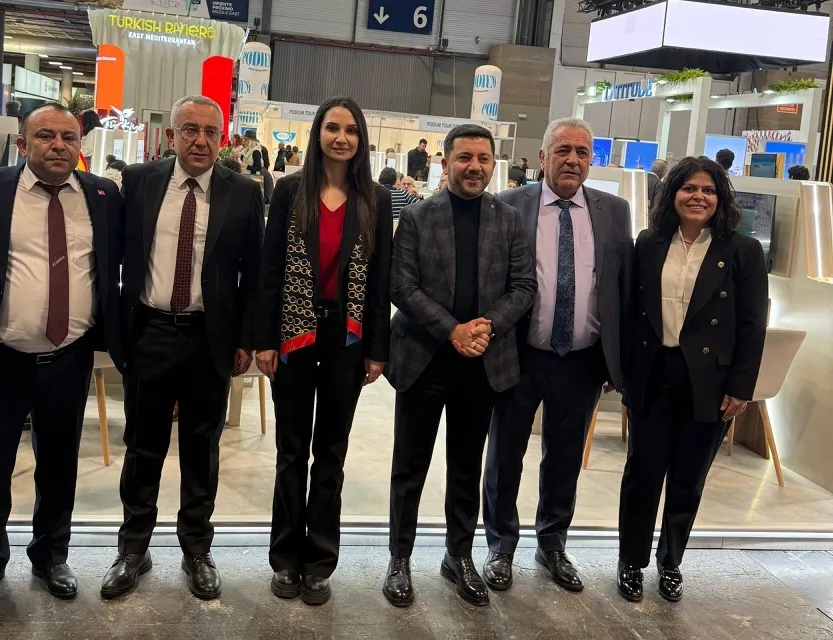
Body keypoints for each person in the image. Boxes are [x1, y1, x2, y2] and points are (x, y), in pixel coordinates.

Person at [0, 102, 124, 611]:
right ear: (23, 144)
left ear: (80, 145)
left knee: (59, 465)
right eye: (46, 136)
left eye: (69, 137)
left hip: (69, 356)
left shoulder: (102, 195)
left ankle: (51, 557)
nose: (58, 146)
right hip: (0, 356)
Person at [100, 95, 264, 602]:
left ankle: (197, 549)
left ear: (223, 139)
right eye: (189, 129)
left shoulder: (243, 191)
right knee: (142, 445)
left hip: (209, 338)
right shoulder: (140, 182)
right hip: (149, 330)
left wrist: (246, 339)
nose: (200, 140)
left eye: (211, 132)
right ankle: (133, 548)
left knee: (201, 448)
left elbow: (255, 275)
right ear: (171, 136)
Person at [383, 124, 536, 608]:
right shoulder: (418, 217)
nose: (474, 167)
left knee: (467, 468)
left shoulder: (508, 219)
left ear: (493, 165)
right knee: (409, 467)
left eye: (483, 159)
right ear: (445, 162)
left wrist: (486, 327)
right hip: (424, 361)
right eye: (465, 157)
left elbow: (524, 287)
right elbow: (401, 287)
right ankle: (400, 559)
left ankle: (459, 556)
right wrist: (453, 330)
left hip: (482, 365)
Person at [482, 116, 633, 594]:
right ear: (543, 157)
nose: (572, 160)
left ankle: (552, 545)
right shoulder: (509, 205)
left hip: (583, 359)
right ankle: (500, 546)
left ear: (591, 161)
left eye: (582, 152)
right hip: (520, 354)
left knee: (565, 458)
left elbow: (621, 288)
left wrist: (615, 357)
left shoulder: (614, 211)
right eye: (563, 150)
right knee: (505, 454)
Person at [254, 96, 393, 606]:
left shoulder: (375, 199)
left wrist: (377, 349)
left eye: (351, 130)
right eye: (332, 128)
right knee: (290, 452)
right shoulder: (291, 190)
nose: (341, 138)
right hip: (294, 336)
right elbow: (270, 269)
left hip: (346, 340)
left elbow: (380, 280)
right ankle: (285, 559)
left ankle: (319, 562)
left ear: (361, 140)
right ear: (317, 134)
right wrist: (265, 338)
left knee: (330, 455)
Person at [616, 156, 768, 603]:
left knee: (688, 478)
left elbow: (753, 325)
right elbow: (632, 312)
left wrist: (741, 387)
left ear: (720, 199)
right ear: (672, 194)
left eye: (708, 190)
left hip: (710, 383)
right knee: (642, 474)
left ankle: (671, 562)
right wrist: (622, 371)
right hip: (653, 374)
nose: (698, 197)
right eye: (689, 188)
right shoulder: (649, 242)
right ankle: (631, 561)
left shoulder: (742, 250)